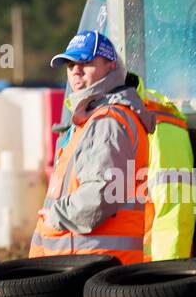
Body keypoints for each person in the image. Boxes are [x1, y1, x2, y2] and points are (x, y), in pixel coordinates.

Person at [29, 30, 155, 264]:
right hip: (81, 262)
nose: (76, 70)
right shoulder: (92, 119)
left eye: (85, 62)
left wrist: (55, 217)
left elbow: (102, 193)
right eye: (70, 65)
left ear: (110, 65)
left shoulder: (107, 121)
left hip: (91, 264)